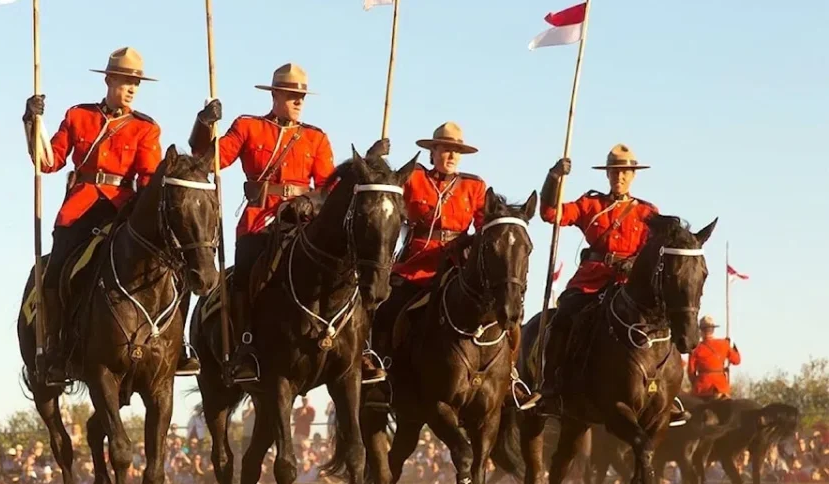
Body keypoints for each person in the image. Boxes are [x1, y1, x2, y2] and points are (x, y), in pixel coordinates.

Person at [190, 63, 385, 384]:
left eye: (302, 96)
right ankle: (246, 348)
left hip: (303, 221)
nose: (298, 101)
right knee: (246, 277)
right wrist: (204, 124)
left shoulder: (314, 137)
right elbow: (209, 161)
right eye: (292, 94)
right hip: (260, 221)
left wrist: (312, 201)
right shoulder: (249, 126)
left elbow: (328, 187)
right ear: (276, 94)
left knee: (349, 270)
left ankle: (359, 349)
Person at [23, 47, 200, 385]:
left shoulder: (146, 128)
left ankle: (178, 347)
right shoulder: (78, 116)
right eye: (126, 80)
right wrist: (33, 123)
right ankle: (56, 348)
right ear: (109, 79)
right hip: (80, 211)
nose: (132, 88)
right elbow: (49, 161)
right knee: (56, 271)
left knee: (176, 270)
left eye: (136, 82)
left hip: (122, 212)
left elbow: (147, 179)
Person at [371, 122, 535, 409]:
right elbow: (384, 196)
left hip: (457, 266)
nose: (451, 155)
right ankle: (380, 367)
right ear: (432, 151)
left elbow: (488, 231)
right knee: (388, 307)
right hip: (416, 264)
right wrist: (375, 160)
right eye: (446, 149)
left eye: (457, 151)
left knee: (505, 316)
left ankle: (509, 377)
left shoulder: (474, 185)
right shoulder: (414, 178)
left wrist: (472, 242)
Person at [529, 144, 689, 422]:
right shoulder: (591, 205)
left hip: (631, 286)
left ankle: (667, 394)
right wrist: (554, 179)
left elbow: (656, 249)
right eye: (615, 172)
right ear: (608, 175)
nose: (620, 177)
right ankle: (551, 385)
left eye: (625, 172)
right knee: (564, 318)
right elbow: (551, 213)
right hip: (592, 280)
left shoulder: (647, 212)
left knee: (663, 323)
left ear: (633, 175)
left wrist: (635, 263)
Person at [687, 315, 741, 399]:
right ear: (713, 330)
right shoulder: (724, 344)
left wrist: (696, 383)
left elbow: (691, 372)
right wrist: (732, 345)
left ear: (700, 331)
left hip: (702, 388)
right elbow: (737, 361)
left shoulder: (695, 348)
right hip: (721, 387)